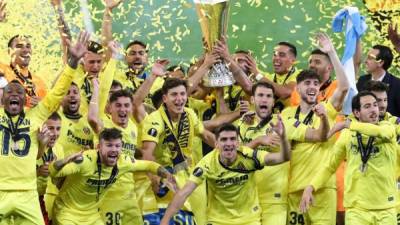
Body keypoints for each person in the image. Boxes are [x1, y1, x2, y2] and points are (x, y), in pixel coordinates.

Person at [0, 31, 90, 225]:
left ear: (26, 100)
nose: (14, 93)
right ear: (1, 98)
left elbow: (58, 93)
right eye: (9, 91)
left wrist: (73, 62)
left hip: (28, 193)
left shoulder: (36, 115)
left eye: (19, 91)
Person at [237, 81, 335, 225]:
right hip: (247, 199)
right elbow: (233, 156)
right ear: (252, 99)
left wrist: (324, 118)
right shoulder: (243, 123)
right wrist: (258, 141)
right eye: (260, 95)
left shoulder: (286, 122)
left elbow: (319, 136)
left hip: (275, 201)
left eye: (269, 96)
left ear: (273, 101)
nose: (264, 99)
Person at [160, 121, 290, 225]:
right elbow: (183, 193)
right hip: (219, 221)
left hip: (249, 220)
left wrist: (283, 138)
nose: (229, 143)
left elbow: (283, 157)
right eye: (224, 140)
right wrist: (164, 222)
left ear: (238, 143)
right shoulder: (207, 164)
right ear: (216, 144)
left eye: (232, 139)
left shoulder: (249, 156)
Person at [300, 91, 399, 225]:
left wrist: (349, 124)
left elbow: (382, 133)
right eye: (367, 106)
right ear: (357, 113)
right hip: (356, 210)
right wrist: (311, 186)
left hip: (386, 209)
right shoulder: (348, 135)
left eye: (375, 105)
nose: (374, 110)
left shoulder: (387, 127)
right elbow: (330, 166)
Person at [49, 128, 175, 225]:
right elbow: (54, 172)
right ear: (99, 147)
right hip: (67, 213)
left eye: (117, 146)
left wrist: (166, 174)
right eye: (109, 145)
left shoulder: (123, 162)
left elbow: (149, 165)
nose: (114, 149)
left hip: (91, 216)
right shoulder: (85, 161)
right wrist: (64, 161)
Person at [140, 78, 216, 224]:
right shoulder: (154, 120)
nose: (179, 99)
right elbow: (147, 153)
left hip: (192, 176)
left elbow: (205, 135)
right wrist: (155, 179)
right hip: (168, 179)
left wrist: (222, 147)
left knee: (199, 220)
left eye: (182, 94)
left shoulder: (189, 114)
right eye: (174, 95)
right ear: (165, 98)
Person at [281, 67, 348, 225]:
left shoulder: (327, 108)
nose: (312, 87)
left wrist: (331, 51)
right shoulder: (286, 115)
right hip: (295, 188)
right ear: (297, 88)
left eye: (316, 83)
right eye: (307, 83)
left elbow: (344, 86)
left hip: (323, 189)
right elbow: (320, 136)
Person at [0, 34, 47, 107]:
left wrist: (41, 104)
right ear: (9, 51)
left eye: (28, 47)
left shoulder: (39, 82)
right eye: (19, 46)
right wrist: (24, 101)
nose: (25, 50)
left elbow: (49, 109)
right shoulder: (2, 69)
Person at [356, 44, 400, 117]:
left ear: (381, 62)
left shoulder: (397, 85)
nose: (366, 61)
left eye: (370, 58)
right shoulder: (362, 81)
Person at [36, 112, 64, 224]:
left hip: (40, 198)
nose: (55, 133)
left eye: (58, 129)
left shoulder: (59, 149)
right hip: (24, 195)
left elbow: (58, 182)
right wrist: (37, 172)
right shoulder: (30, 145)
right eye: (50, 128)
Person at [259, 41, 301, 111]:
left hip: (291, 120)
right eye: (275, 54)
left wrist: (257, 75)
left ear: (292, 61)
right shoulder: (268, 77)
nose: (276, 58)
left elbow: (285, 92)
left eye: (282, 55)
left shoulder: (301, 76)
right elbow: (249, 89)